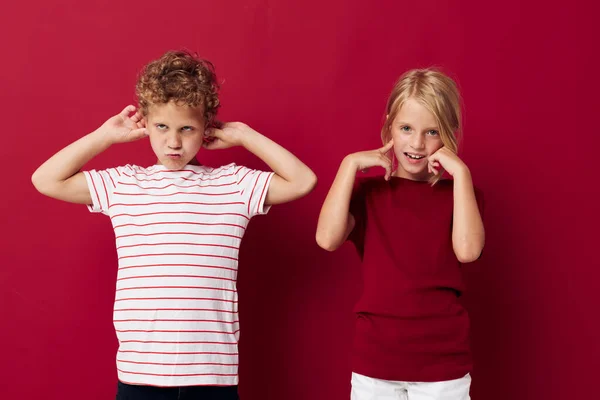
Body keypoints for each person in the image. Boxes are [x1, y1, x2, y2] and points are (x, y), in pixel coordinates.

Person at [31, 50, 317, 400]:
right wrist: (104, 136)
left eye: (187, 128)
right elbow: (45, 179)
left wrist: (244, 135)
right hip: (141, 373)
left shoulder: (232, 184)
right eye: (162, 127)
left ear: (206, 126)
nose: (174, 142)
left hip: (212, 373)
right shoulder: (125, 184)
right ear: (146, 124)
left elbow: (303, 181)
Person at [315, 68, 485, 400]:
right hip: (375, 364)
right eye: (406, 128)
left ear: (449, 135)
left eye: (432, 132)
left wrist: (461, 172)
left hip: (442, 367)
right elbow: (326, 238)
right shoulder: (370, 193)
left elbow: (468, 251)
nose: (417, 144)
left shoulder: (462, 194)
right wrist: (348, 165)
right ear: (390, 125)